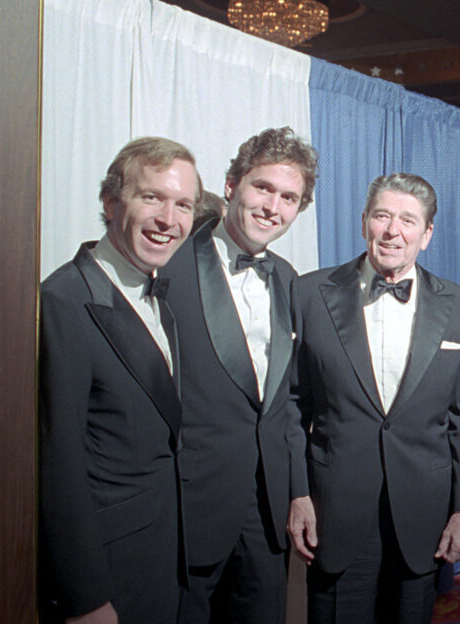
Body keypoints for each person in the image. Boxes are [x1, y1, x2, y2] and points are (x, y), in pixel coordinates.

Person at [286, 173, 460, 624]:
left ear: (427, 234)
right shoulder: (310, 294)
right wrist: (297, 495)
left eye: (408, 220)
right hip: (333, 512)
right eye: (382, 216)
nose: (393, 231)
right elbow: (292, 407)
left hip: (423, 518)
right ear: (364, 223)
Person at [39, 137, 200, 623]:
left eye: (183, 205)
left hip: (164, 559)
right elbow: (57, 464)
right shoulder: (63, 301)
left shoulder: (163, 300)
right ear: (110, 202)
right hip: (107, 576)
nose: (168, 219)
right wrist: (84, 596)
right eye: (151, 197)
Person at [161, 126, 317, 623]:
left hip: (267, 514)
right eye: (263, 188)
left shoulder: (290, 281)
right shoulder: (167, 265)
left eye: (289, 197)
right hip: (188, 507)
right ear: (232, 184)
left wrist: (296, 490)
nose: (274, 206)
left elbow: (288, 401)